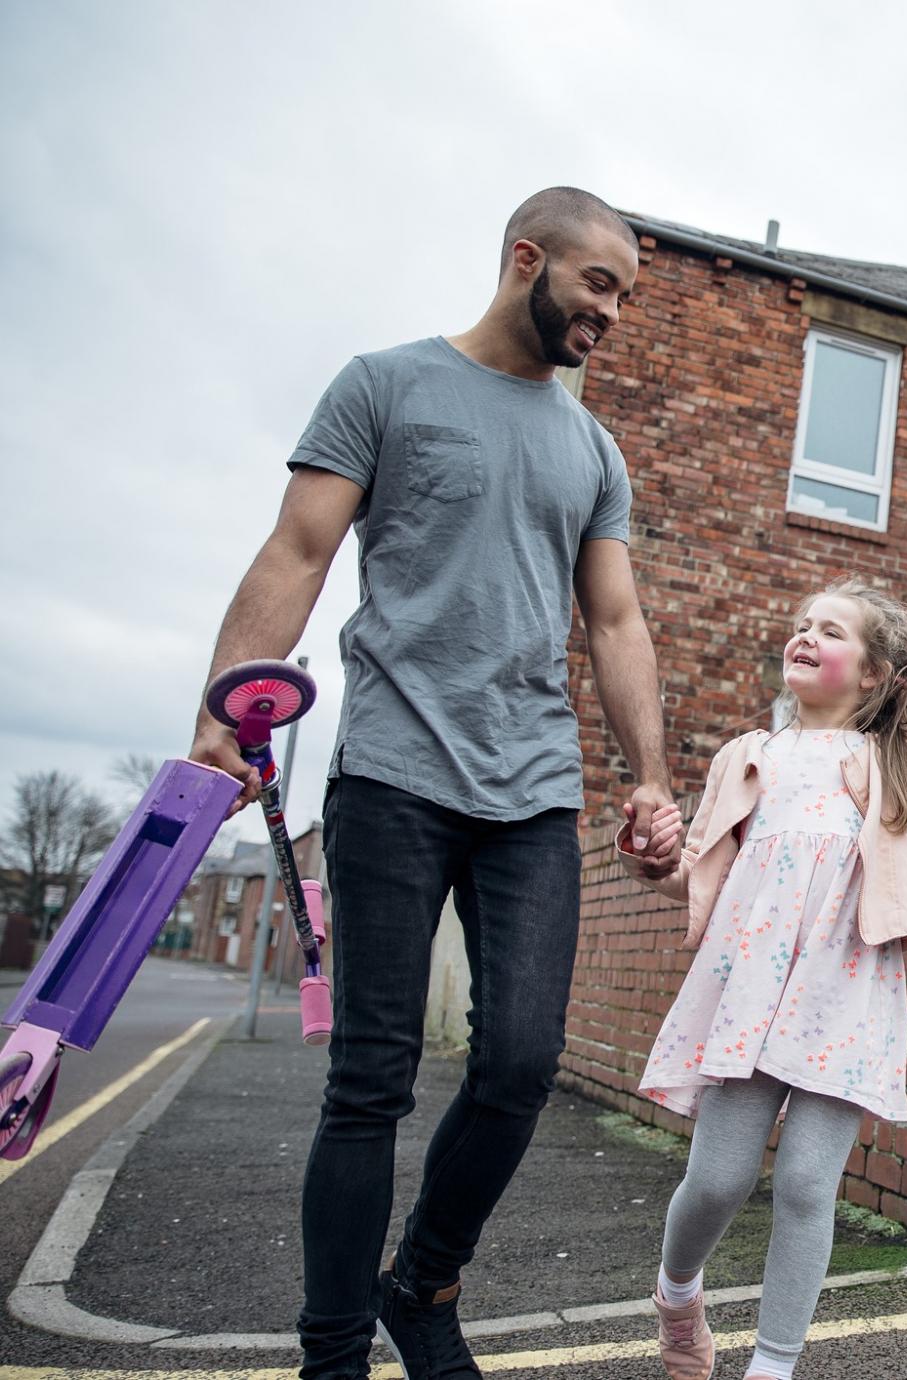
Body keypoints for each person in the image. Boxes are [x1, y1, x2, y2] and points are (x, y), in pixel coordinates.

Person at [189, 187, 684, 1380]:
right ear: (528, 260)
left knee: (518, 1063)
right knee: (371, 1080)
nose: (610, 313)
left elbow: (614, 623)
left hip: (530, 791)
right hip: (394, 772)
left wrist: (653, 780)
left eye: (623, 294)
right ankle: (332, 1355)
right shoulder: (386, 384)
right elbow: (297, 551)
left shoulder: (592, 448)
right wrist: (220, 709)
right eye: (597, 284)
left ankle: (421, 1285)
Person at [616, 578, 907, 1380]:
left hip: (846, 998)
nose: (805, 636)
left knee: (807, 1184)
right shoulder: (749, 757)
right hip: (750, 994)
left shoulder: (901, 764)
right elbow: (696, 876)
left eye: (830, 631)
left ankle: (773, 1367)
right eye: (802, 625)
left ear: (873, 673)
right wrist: (653, 858)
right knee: (718, 1178)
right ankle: (676, 1294)